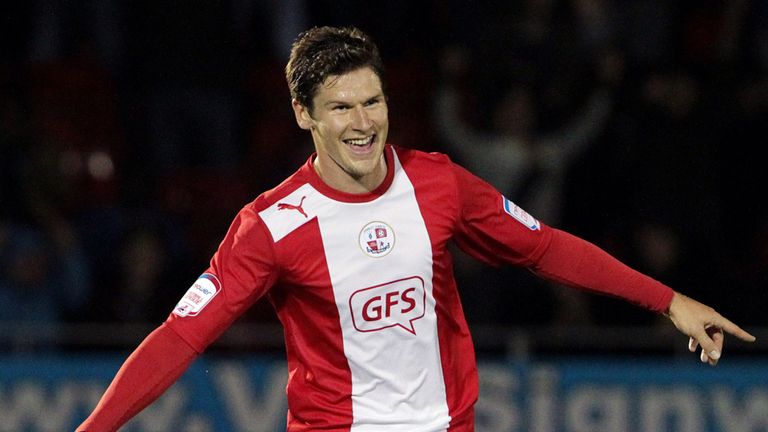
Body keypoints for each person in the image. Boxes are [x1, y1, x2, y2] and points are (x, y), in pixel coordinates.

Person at [77, 26, 755, 431]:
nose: (363, 123)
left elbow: (543, 247)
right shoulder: (271, 226)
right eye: (341, 107)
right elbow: (181, 336)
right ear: (303, 114)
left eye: (373, 101)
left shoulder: (438, 183)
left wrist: (668, 300)